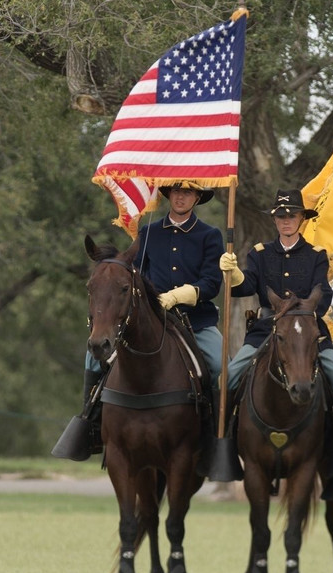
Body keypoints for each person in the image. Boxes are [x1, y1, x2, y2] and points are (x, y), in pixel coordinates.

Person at [60, 181, 225, 461]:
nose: (181, 197)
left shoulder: (209, 235)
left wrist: (180, 295)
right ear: (169, 195)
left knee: (220, 364)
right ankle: (90, 424)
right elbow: (134, 275)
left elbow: (211, 282)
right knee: (93, 359)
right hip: (153, 316)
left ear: (197, 197)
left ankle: (213, 436)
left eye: (188, 192)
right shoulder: (148, 232)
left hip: (194, 320)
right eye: (176, 191)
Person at [218, 188, 333, 489]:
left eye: (291, 215)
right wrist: (234, 274)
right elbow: (246, 289)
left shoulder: (316, 256)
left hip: (309, 332)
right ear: (274, 220)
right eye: (281, 215)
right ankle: (225, 446)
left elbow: (322, 299)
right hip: (266, 329)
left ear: (301, 219)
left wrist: (302, 311)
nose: (286, 220)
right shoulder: (259, 254)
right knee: (229, 378)